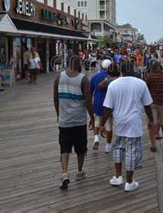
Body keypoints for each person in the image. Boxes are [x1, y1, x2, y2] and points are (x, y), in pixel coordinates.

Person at [100, 59, 154, 192]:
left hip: (120, 121)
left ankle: (118, 176)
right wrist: (151, 120)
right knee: (132, 151)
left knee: (118, 147)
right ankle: (129, 182)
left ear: (121, 70)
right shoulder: (141, 83)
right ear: (133, 69)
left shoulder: (113, 85)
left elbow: (107, 108)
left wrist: (102, 124)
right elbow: (147, 105)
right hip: (134, 122)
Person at [54, 56, 94, 190]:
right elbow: (88, 101)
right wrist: (92, 117)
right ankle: (80, 171)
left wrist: (58, 113)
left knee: (64, 148)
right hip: (79, 120)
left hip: (64, 121)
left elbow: (55, 97)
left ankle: (65, 173)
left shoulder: (59, 78)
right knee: (80, 148)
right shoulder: (83, 79)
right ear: (79, 65)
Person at [145, 60, 163, 152]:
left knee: (152, 123)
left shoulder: (149, 78)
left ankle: (153, 145)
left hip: (151, 102)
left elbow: (146, 91)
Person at [89, 59, 113, 152]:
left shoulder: (95, 76)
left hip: (97, 103)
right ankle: (108, 146)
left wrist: (91, 104)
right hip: (108, 105)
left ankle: (96, 138)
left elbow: (90, 91)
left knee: (97, 122)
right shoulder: (111, 77)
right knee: (109, 127)